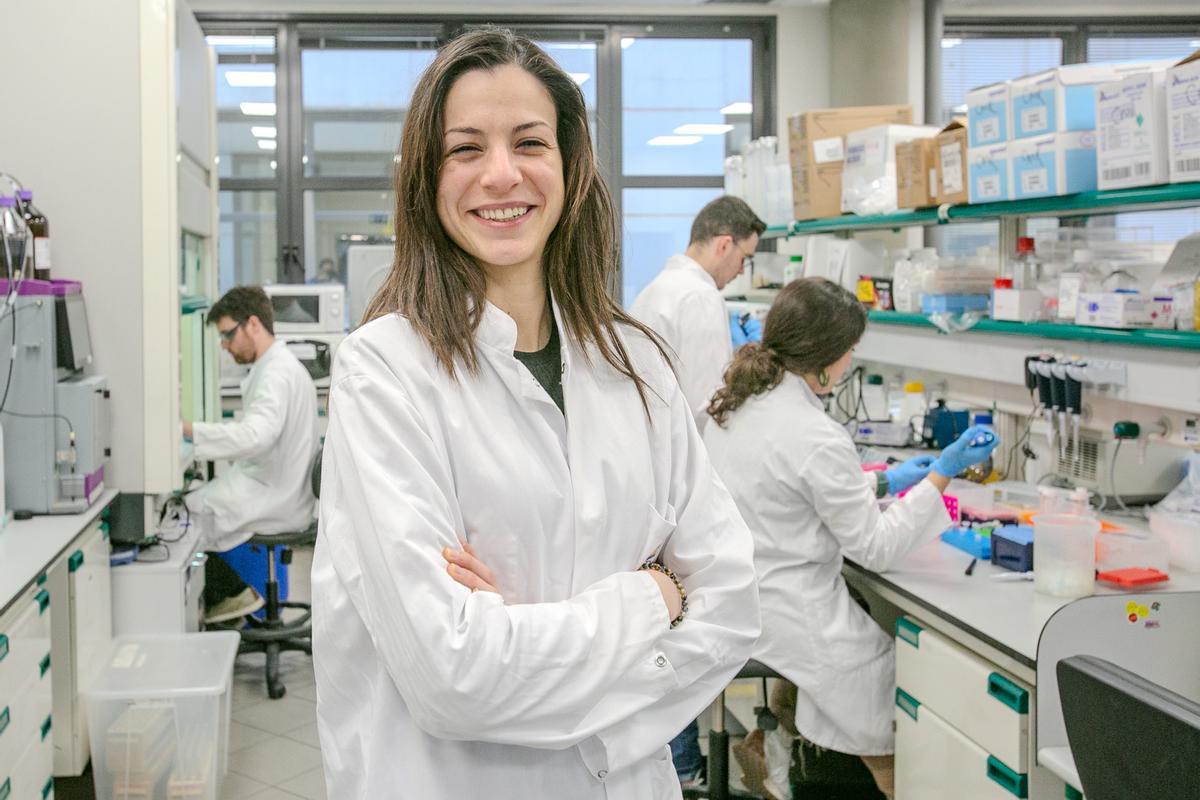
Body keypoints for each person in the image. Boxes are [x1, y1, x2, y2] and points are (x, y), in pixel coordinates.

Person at [310, 29, 760, 800]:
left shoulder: (637, 363)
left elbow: (732, 606)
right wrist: (651, 596)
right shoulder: (384, 371)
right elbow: (453, 680)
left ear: (570, 166)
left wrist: (536, 657)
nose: (501, 174)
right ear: (427, 176)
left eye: (529, 142)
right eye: (465, 149)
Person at [701, 278, 999, 800]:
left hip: (740, 595)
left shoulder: (743, 404)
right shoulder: (813, 434)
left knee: (845, 680)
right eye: (850, 351)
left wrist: (886, 481)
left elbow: (782, 491)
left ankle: (786, 752)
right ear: (825, 358)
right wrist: (942, 475)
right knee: (878, 678)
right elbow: (876, 547)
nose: (850, 361)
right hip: (789, 610)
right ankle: (887, 781)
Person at [183, 286, 320, 623]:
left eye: (228, 334)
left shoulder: (276, 374)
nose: (225, 345)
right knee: (195, 505)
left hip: (277, 496)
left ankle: (233, 596)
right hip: (276, 486)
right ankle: (231, 599)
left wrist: (188, 431)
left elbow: (256, 436)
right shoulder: (277, 367)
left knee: (184, 517)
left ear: (253, 325)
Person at [631, 195, 765, 427]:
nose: (742, 271)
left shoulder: (654, 289)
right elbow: (707, 408)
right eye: (745, 258)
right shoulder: (701, 297)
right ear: (724, 245)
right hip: (680, 450)